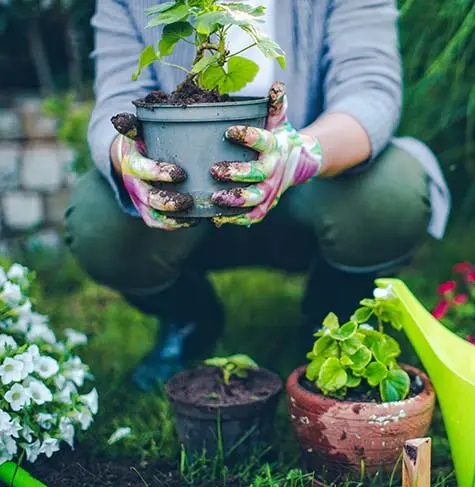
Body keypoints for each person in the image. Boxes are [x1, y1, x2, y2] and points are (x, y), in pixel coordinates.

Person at [65, 0, 451, 391]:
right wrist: (126, 157)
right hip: (184, 190)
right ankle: (189, 317)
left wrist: (298, 155)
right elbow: (118, 96)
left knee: (392, 193)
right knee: (97, 221)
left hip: (315, 187)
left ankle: (332, 313)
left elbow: (370, 91)